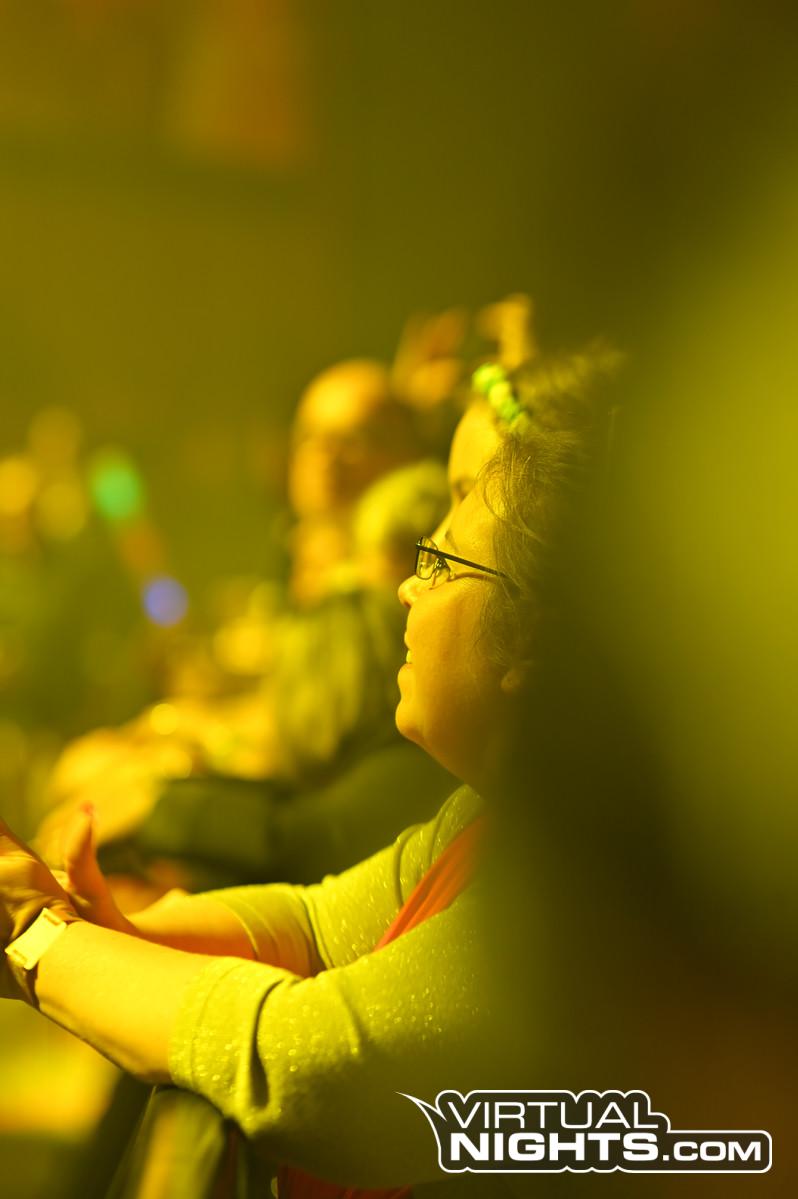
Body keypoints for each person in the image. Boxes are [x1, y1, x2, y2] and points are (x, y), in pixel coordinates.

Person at [0, 338, 615, 1195]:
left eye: (441, 558)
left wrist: (39, 936)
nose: (406, 583)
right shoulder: (490, 814)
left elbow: (300, 1057)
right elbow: (318, 922)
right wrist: (103, 931)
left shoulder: (586, 883)